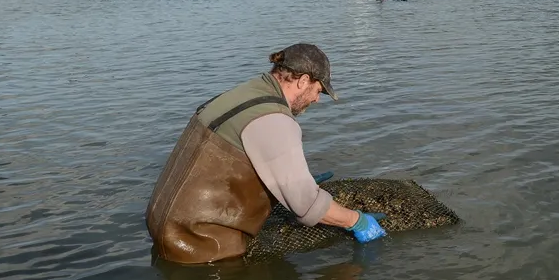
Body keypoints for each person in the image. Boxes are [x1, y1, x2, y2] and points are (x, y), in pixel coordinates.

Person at [145, 43, 386, 264]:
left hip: (163, 226)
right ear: (303, 81)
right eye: (318, 90)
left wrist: (288, 181)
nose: (316, 100)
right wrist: (357, 221)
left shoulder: (242, 94)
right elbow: (306, 205)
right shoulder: (274, 120)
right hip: (199, 245)